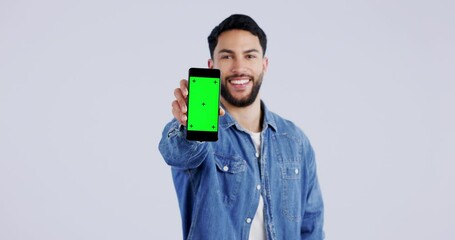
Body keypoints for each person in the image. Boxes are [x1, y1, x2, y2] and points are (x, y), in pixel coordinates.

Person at [159, 14, 324, 240]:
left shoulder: (295, 141)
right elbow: (178, 153)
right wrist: (187, 127)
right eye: (227, 57)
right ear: (212, 66)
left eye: (250, 56)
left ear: (264, 64)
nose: (239, 67)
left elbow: (311, 227)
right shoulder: (197, 132)